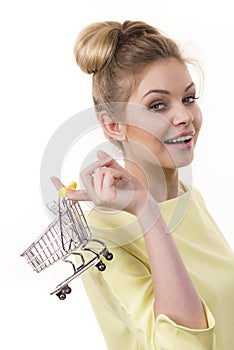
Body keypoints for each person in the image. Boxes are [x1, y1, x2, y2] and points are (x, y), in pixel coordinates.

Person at [51, 20, 234, 349]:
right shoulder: (102, 235)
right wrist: (146, 212)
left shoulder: (190, 199)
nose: (184, 117)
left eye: (189, 98)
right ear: (114, 124)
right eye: (158, 105)